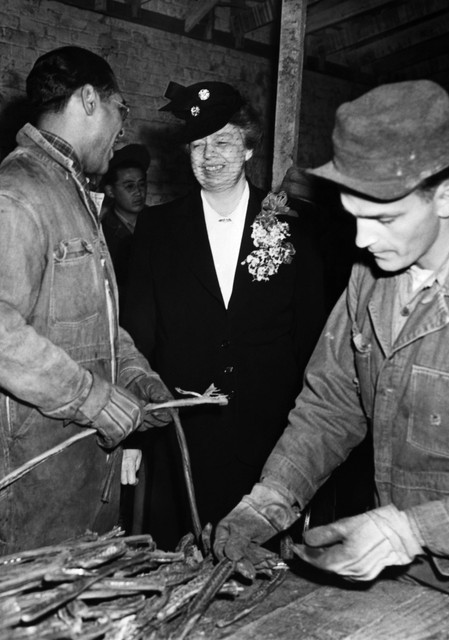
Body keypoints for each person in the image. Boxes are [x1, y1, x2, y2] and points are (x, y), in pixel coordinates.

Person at [214, 80, 449, 636]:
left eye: (384, 219)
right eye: (354, 217)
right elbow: (331, 403)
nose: (363, 240)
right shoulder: (372, 275)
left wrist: (409, 531)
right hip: (396, 580)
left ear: (444, 196)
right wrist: (270, 501)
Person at [121, 81, 326, 550]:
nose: (209, 155)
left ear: (249, 147)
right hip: (183, 448)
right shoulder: (157, 229)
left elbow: (311, 341)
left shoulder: (292, 225)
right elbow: (135, 340)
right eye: (198, 144)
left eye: (223, 141)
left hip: (269, 448)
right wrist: (133, 435)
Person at [0, 46, 174, 555]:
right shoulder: (18, 193)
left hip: (78, 484)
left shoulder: (68, 191)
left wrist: (136, 376)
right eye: (122, 109)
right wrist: (93, 397)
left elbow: (94, 321)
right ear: (89, 99)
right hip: (35, 491)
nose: (123, 127)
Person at [101, 143, 151, 312]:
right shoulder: (102, 233)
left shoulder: (161, 222)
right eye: (129, 186)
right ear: (110, 191)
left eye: (142, 184)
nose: (138, 192)